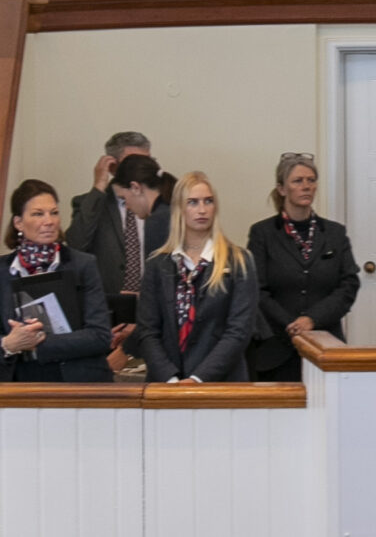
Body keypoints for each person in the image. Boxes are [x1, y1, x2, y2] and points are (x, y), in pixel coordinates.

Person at [0, 177, 113, 384]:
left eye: (54, 213)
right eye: (37, 214)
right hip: (18, 381)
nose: (49, 221)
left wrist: (37, 343)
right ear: (18, 223)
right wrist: (9, 343)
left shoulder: (83, 264)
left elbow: (100, 336)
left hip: (78, 381)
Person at [247, 152, 360, 379]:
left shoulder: (334, 233)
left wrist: (312, 320)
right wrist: (290, 324)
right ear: (282, 189)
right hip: (276, 347)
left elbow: (348, 284)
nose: (306, 186)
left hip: (325, 344)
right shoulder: (263, 234)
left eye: (311, 180)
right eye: (298, 181)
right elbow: (255, 289)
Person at [136, 171, 257, 384]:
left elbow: (238, 332)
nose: (202, 210)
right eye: (192, 202)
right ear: (179, 209)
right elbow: (148, 331)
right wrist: (171, 379)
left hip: (221, 384)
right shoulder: (158, 264)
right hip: (166, 385)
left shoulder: (238, 261)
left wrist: (197, 379)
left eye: (208, 201)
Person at [67, 149, 169, 328]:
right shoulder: (93, 204)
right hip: (110, 315)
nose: (127, 206)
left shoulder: (161, 216)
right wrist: (98, 186)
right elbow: (75, 245)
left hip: (156, 315)